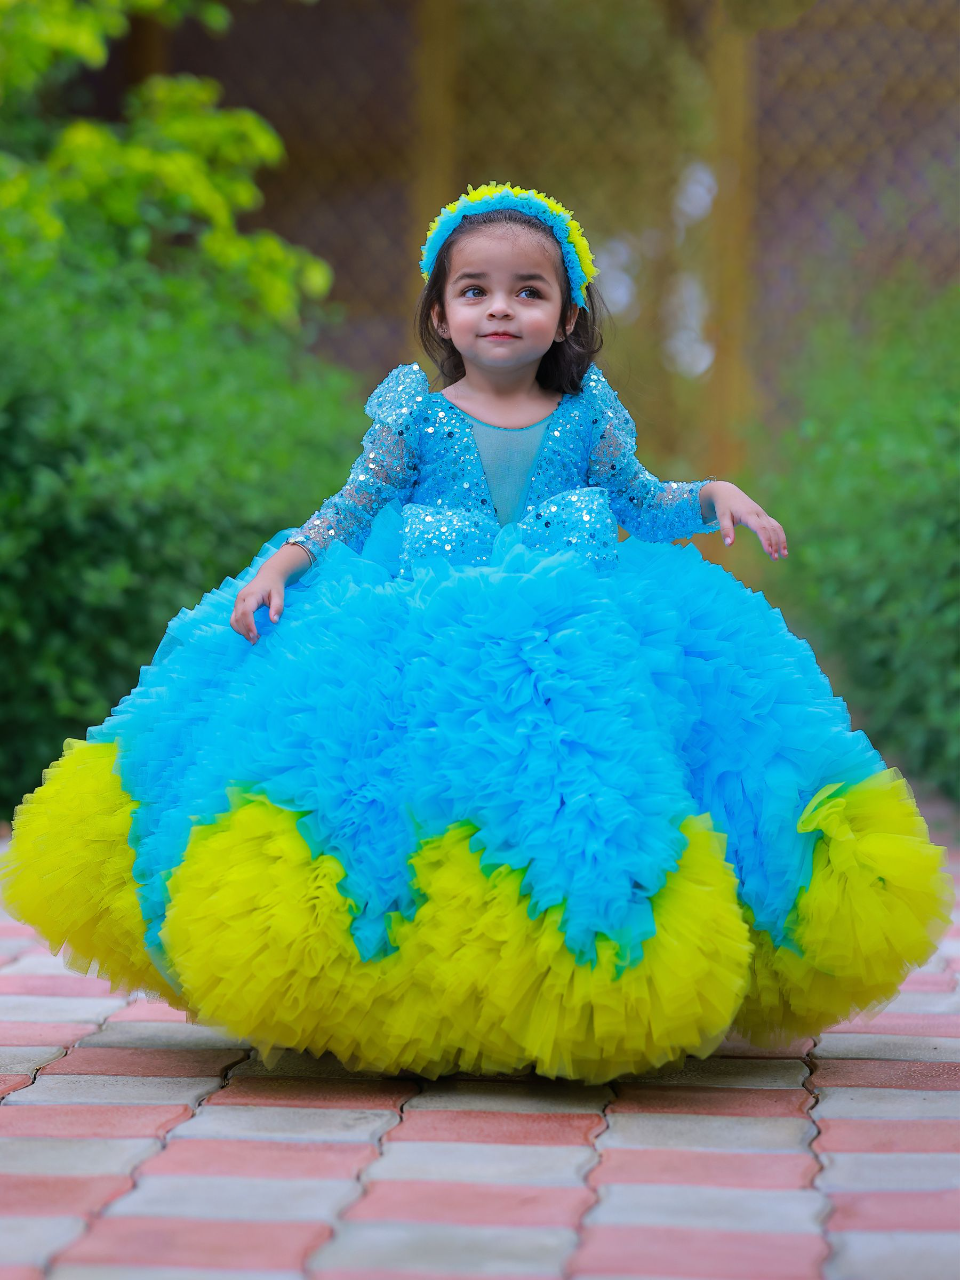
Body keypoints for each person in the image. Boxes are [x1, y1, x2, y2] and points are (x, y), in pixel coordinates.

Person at [4, 182, 950, 1083]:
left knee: (572, 794)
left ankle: (571, 974)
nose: (501, 309)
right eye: (475, 291)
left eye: (527, 292)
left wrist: (713, 497)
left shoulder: (588, 416)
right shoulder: (414, 416)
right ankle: (399, 985)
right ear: (442, 314)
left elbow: (642, 504)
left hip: (566, 646)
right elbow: (351, 507)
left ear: (567, 315)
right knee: (393, 793)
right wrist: (283, 561)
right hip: (425, 639)